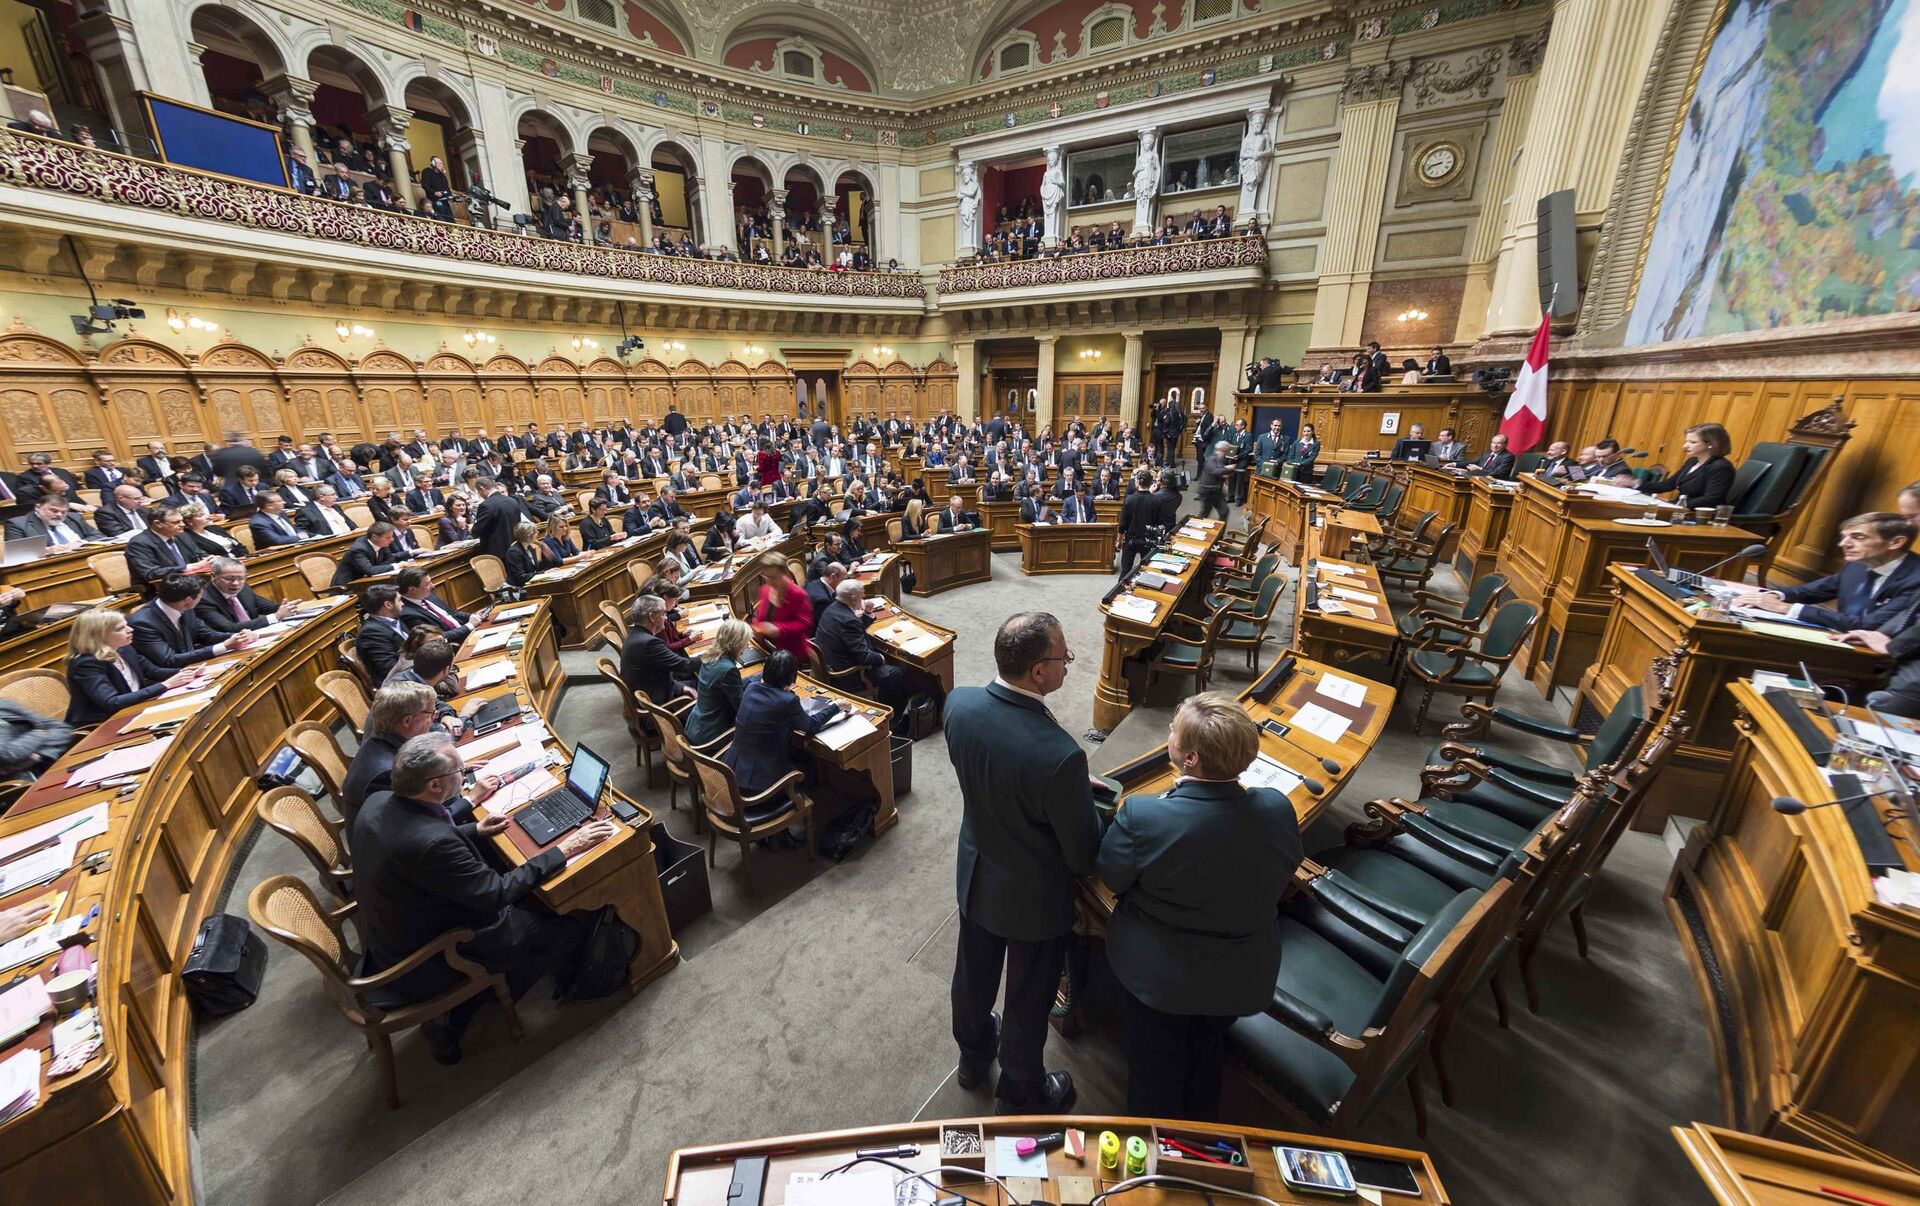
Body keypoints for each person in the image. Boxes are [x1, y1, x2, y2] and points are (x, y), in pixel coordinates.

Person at [1096, 693, 1303, 1120]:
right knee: (1206, 1051)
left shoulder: (1143, 816)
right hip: (1241, 979)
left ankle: (1154, 1154)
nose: (1167, 733)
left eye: (1173, 730)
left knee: (1154, 1071)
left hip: (1159, 982)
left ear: (1189, 758)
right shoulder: (1277, 808)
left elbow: (1112, 878)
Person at [350, 732, 615, 1063]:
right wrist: (565, 849)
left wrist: (473, 830)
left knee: (516, 876)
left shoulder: (379, 801)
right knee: (569, 926)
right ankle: (472, 1003)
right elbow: (496, 893)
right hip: (431, 955)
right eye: (459, 771)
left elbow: (414, 843)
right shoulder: (431, 843)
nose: (465, 776)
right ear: (434, 786)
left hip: (393, 930)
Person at [946, 612, 1100, 1113]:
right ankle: (1020, 1091)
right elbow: (1082, 853)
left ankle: (972, 1059)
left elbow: (991, 775)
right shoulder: (1060, 756)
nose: (1067, 666)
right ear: (1038, 672)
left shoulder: (959, 706)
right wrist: (1071, 793)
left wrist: (1063, 791)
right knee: (1029, 996)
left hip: (976, 871)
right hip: (1033, 897)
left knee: (973, 974)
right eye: (1064, 659)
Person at [1735, 513, 1920, 632]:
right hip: (1838, 636)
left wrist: (1786, 608)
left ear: (1896, 542)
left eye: (1858, 537)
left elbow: (1870, 625)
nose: (1843, 544)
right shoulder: (1857, 565)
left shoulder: (1915, 579)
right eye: (1844, 537)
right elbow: (1812, 592)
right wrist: (1773, 595)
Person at [725, 649, 836, 831]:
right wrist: (835, 707)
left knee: (800, 755)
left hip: (734, 775)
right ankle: (792, 822)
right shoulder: (787, 701)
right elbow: (810, 725)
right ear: (791, 677)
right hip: (761, 789)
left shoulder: (751, 688)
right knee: (809, 769)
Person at [64, 608, 193, 726]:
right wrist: (166, 685)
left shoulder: (124, 649)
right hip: (103, 724)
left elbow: (154, 671)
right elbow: (112, 702)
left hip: (134, 710)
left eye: (126, 625)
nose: (130, 629)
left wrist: (185, 672)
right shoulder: (86, 664)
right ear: (98, 636)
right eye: (120, 628)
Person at [341, 681, 441, 824]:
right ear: (407, 721)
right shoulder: (387, 773)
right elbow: (421, 823)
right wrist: (470, 800)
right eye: (430, 714)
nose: (432, 720)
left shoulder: (382, 739)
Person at [129, 574, 256, 670]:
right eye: (201, 595)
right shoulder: (142, 623)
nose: (202, 598)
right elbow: (169, 660)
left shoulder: (184, 607)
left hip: (194, 668)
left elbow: (207, 635)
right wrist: (225, 646)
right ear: (188, 599)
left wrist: (238, 636)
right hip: (171, 676)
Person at [1637, 422, 1736, 510]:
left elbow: (1711, 499)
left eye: (1692, 442)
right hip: (1680, 509)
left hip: (1698, 516)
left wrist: (1676, 504)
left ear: (1711, 444)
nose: (1684, 446)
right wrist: (1635, 483)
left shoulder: (1721, 467)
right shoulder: (1692, 461)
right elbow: (1667, 485)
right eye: (1686, 441)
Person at [621, 594, 696, 708]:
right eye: (663, 614)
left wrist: (681, 687)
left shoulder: (635, 636)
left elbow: (653, 676)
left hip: (656, 691)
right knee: (711, 684)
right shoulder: (648, 643)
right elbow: (684, 665)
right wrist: (716, 654)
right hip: (658, 708)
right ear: (651, 617)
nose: (666, 618)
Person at [685, 618, 751, 746]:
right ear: (736, 643)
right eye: (745, 642)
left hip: (696, 725)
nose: (748, 645)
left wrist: (754, 680)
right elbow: (740, 708)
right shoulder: (729, 670)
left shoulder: (709, 655)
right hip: (712, 735)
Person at [196, 557, 297, 634]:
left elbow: (266, 606)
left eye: (240, 578)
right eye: (229, 579)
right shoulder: (203, 599)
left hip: (255, 636)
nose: (235, 583)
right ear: (213, 576)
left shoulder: (244, 588)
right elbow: (229, 628)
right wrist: (277, 616)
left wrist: (286, 607)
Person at [751, 560, 813, 662]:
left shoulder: (797, 594)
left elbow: (805, 623)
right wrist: (757, 626)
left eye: (774, 578)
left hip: (791, 652)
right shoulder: (765, 589)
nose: (769, 581)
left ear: (784, 574)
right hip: (767, 648)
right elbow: (760, 616)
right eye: (766, 577)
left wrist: (779, 629)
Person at [355, 584, 411, 685]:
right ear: (388, 605)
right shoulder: (371, 634)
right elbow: (391, 669)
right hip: (401, 685)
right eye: (399, 600)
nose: (402, 604)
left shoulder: (395, 619)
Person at [398, 566, 470, 642]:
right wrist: (469, 626)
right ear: (412, 589)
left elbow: (452, 613)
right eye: (427, 584)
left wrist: (473, 616)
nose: (433, 586)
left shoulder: (428, 595)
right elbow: (436, 637)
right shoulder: (408, 614)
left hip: (467, 632)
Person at [503, 520, 550, 587]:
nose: (538, 532)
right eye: (535, 532)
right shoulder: (513, 553)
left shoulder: (529, 547)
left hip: (529, 584)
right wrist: (543, 573)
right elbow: (520, 577)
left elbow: (535, 569)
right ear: (528, 535)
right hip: (516, 589)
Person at [1194, 440, 1231, 522]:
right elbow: (1214, 471)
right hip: (1207, 491)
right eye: (1225, 451)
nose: (1225, 453)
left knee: (1224, 512)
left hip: (1216, 491)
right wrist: (1227, 469)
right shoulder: (1211, 459)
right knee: (1204, 514)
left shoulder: (1221, 459)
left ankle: (1220, 534)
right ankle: (1194, 530)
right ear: (1220, 450)